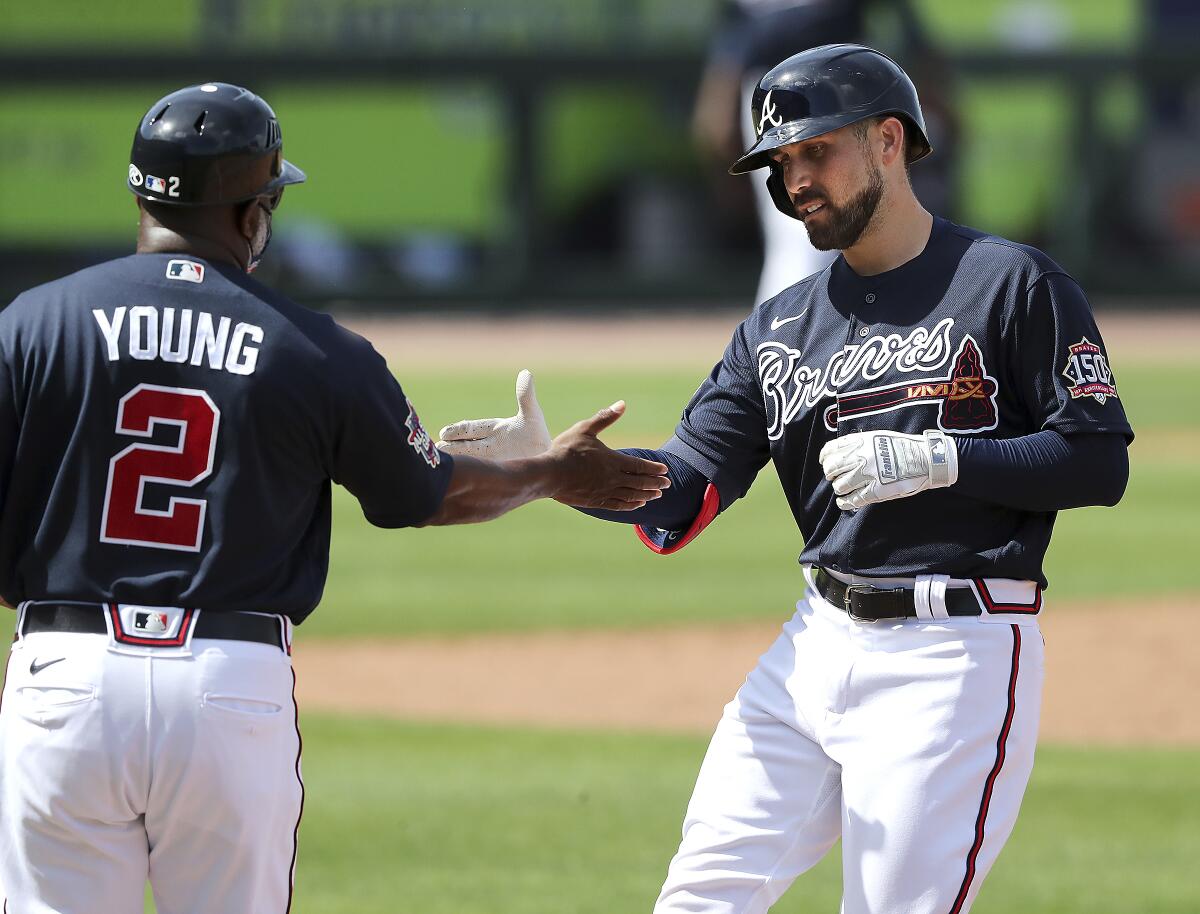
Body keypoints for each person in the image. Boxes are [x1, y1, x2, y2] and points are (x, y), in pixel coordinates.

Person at [438, 44, 1132, 913]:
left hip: (952, 656)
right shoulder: (779, 327)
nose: (795, 179)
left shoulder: (1010, 284)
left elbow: (1097, 460)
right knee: (698, 898)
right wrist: (556, 474)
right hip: (813, 647)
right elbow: (684, 491)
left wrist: (944, 460)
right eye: (780, 161)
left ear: (889, 140)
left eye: (816, 151)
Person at [0, 82, 669, 913]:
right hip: (225, 686)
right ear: (252, 215)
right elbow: (430, 493)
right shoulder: (312, 349)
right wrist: (549, 473)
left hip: (64, 679)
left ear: (141, 191)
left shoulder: (29, 326)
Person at [691, 0, 956, 306]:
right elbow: (737, 29)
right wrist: (720, 92)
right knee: (800, 234)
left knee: (865, 220)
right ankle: (781, 343)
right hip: (777, 90)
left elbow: (904, 24)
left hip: (845, 85)